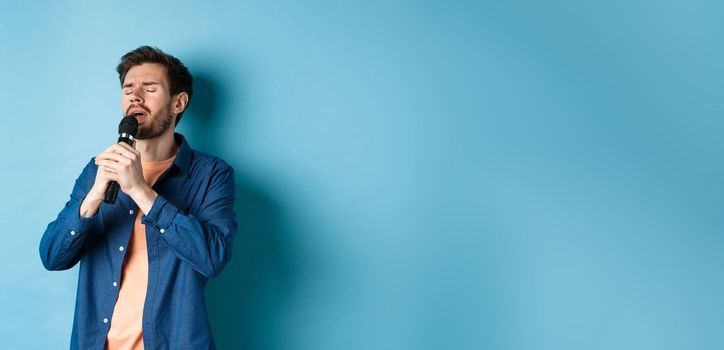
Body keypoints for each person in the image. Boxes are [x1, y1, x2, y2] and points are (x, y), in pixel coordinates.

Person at [39, 46, 237, 350]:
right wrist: (93, 197)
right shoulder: (97, 171)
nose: (135, 96)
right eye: (128, 89)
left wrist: (141, 191)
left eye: (150, 88)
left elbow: (211, 258)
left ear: (178, 103)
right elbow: (52, 256)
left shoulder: (212, 175)